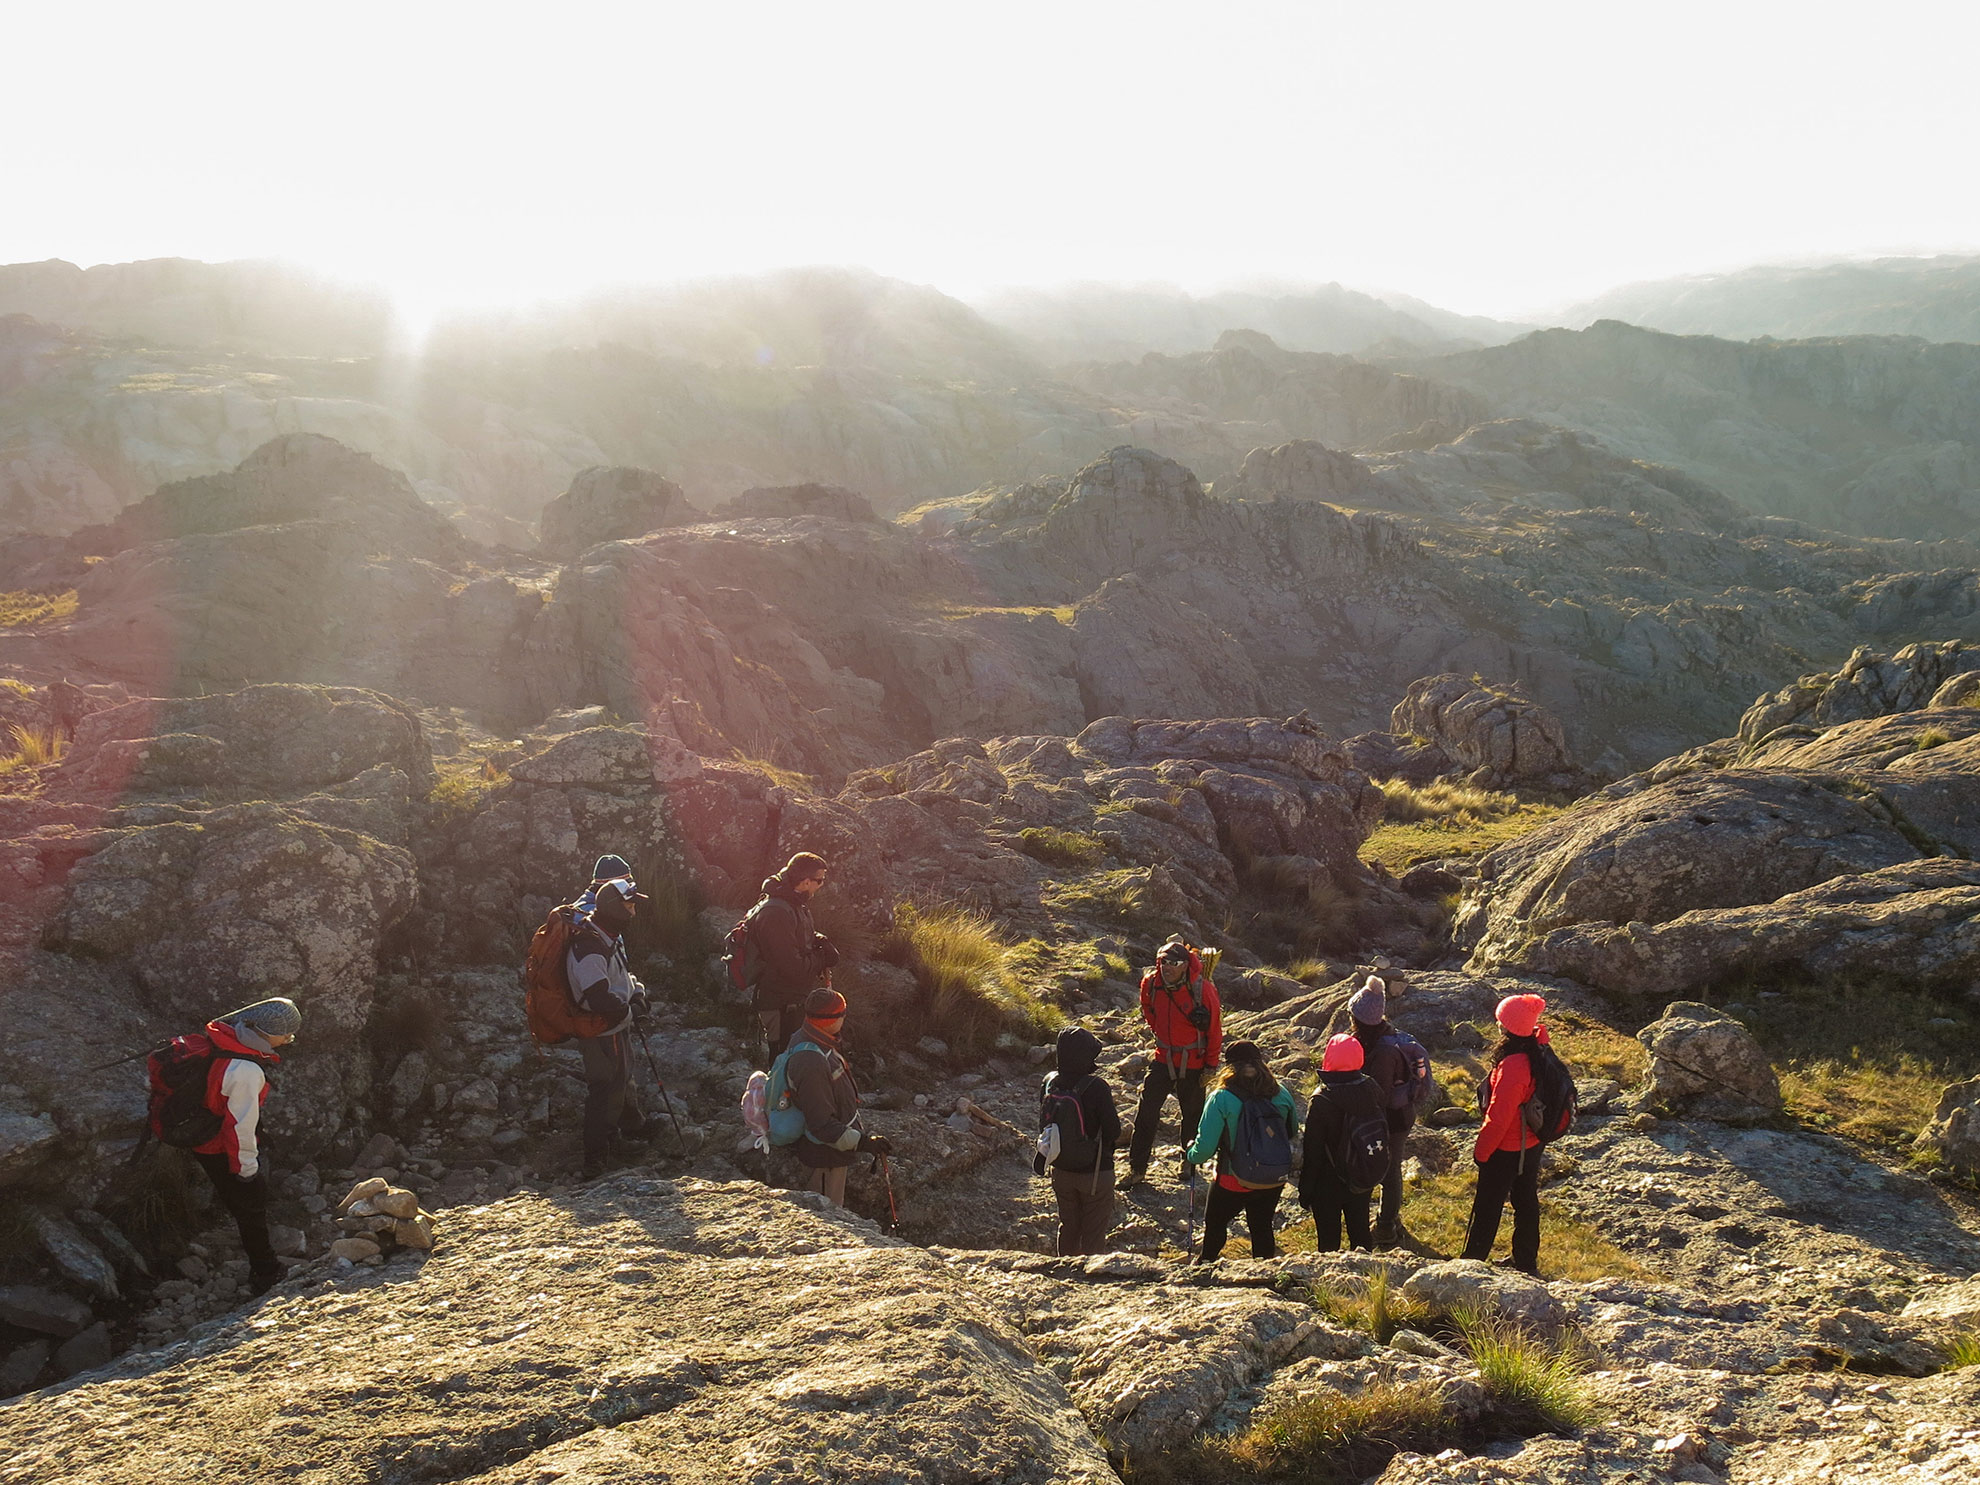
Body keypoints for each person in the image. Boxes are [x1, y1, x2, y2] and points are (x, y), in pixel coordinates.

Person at [190, 998, 301, 1296]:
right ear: (267, 1032)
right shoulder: (246, 1071)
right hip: (214, 1145)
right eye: (287, 1034)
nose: (289, 1040)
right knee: (250, 1206)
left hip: (197, 1126)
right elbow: (239, 1129)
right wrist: (247, 1172)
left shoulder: (228, 1034)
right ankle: (266, 1272)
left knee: (243, 1201)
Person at [568, 872, 654, 1178]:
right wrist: (628, 1009)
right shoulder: (590, 946)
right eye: (629, 906)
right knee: (604, 1089)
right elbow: (598, 997)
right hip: (602, 1031)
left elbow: (620, 978)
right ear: (615, 908)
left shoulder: (607, 936)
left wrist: (637, 994)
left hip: (614, 1027)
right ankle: (595, 1160)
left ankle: (611, 1142)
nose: (633, 911)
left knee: (617, 1085)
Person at [1462, 992, 1552, 1277]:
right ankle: (1525, 1262)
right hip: (1532, 1142)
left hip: (1509, 1147)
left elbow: (1499, 1116)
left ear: (1510, 1027)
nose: (1498, 1024)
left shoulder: (1514, 1065)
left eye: (1501, 1021)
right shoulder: (1538, 1048)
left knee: (1487, 1207)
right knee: (1525, 1201)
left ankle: (1469, 1266)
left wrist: (1482, 1152)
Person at [1185, 1039, 1299, 1262]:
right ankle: (1265, 1270)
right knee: (1262, 1226)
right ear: (1260, 1063)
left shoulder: (1221, 1098)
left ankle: (1205, 1266)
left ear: (1229, 1066)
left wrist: (1191, 1153)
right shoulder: (1281, 1093)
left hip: (1233, 1178)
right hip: (1272, 1177)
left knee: (1216, 1224)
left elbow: (1204, 1150)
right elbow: (1291, 1130)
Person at [1123, 938, 1221, 1188]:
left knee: (1191, 1115)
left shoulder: (1203, 989)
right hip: (1163, 1058)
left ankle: (1188, 1162)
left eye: (1174, 962)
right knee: (1146, 1113)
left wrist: (1211, 1066)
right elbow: (1147, 1007)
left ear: (1185, 965)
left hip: (1194, 1061)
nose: (1167, 966)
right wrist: (1159, 1033)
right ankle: (1137, 1168)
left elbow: (1214, 1029)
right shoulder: (1151, 983)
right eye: (1163, 961)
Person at [784, 986, 889, 1206]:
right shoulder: (811, 1060)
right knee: (828, 1215)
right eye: (842, 1012)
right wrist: (864, 1142)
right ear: (830, 1019)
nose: (845, 1016)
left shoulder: (811, 1038)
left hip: (831, 1151)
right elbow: (821, 1125)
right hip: (825, 1157)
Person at [1036, 1025, 1122, 1256]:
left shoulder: (1049, 1082)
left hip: (1061, 1169)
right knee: (1093, 1234)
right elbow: (1113, 1131)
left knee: (1068, 1227)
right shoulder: (1097, 1087)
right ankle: (1090, 1286)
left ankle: (1065, 1273)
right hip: (1095, 1172)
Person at [745, 852, 840, 1060]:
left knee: (794, 1060)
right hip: (781, 1004)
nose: (821, 885)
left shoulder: (794, 903)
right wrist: (822, 959)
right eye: (820, 880)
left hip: (792, 1001)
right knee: (783, 1061)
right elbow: (792, 968)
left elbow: (795, 938)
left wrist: (819, 940)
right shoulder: (776, 912)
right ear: (806, 882)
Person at [1297, 1033, 1386, 1252]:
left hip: (1328, 1182)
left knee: (1328, 1242)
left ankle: (1329, 1284)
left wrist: (1305, 1190)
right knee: (1361, 1234)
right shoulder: (1372, 1088)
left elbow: (1313, 1151)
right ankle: (1369, 1279)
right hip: (1361, 1174)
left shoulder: (1322, 1099)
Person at [1349, 976, 1415, 1246]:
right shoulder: (1377, 1038)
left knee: (1389, 1171)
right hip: (1391, 1115)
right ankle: (1385, 1218)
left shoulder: (1384, 1052)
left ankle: (1386, 1224)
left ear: (1362, 1019)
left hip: (1393, 1119)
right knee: (1386, 1168)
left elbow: (1382, 1095)